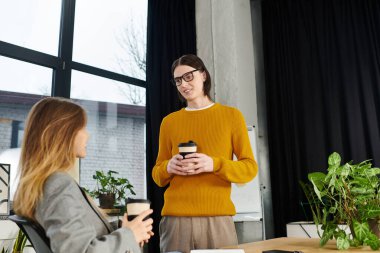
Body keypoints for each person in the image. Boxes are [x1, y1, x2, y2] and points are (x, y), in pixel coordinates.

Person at [13, 97, 153, 253]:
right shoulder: (58, 185)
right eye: (83, 128)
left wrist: (124, 228)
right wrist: (130, 234)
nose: (88, 135)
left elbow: (82, 235)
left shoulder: (46, 184)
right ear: (64, 133)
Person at [152, 54, 258, 253]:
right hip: (176, 221)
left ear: (203, 75)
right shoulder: (169, 122)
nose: (183, 84)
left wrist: (215, 164)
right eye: (177, 80)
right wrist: (168, 166)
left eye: (188, 77)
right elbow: (158, 175)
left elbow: (249, 168)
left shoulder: (231, 116)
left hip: (218, 221)